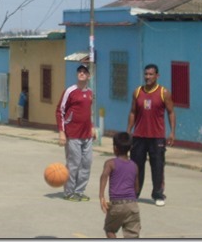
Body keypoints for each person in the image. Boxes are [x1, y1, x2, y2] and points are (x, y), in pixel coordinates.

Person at [127, 63, 175, 207]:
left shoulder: (163, 92)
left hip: (157, 137)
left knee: (158, 166)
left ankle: (158, 194)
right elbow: (133, 112)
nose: (148, 77)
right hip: (139, 136)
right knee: (136, 167)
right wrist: (128, 132)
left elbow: (171, 112)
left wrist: (172, 132)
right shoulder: (137, 92)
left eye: (151, 74)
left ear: (157, 76)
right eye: (146, 74)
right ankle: (134, 193)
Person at [56, 64, 96, 202]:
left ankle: (79, 191)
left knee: (86, 163)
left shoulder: (90, 93)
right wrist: (62, 132)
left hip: (87, 135)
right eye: (79, 71)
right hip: (73, 134)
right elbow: (60, 111)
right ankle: (69, 192)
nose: (82, 73)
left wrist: (92, 127)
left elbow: (90, 113)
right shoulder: (70, 91)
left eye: (84, 72)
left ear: (89, 76)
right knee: (74, 164)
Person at [99, 132, 141, 239]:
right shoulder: (134, 166)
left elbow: (104, 176)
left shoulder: (110, 163)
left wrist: (101, 196)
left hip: (117, 204)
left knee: (110, 229)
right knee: (133, 235)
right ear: (130, 148)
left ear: (115, 148)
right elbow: (137, 188)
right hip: (132, 204)